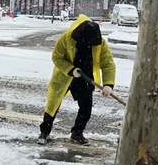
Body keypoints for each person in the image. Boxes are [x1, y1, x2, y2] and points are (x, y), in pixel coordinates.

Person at [37, 14, 116, 146]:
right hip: (65, 76)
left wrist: (109, 84)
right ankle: (45, 132)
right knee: (53, 105)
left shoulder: (99, 42)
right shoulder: (67, 38)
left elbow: (108, 64)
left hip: (86, 77)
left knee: (86, 108)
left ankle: (77, 132)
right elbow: (56, 57)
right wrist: (71, 69)